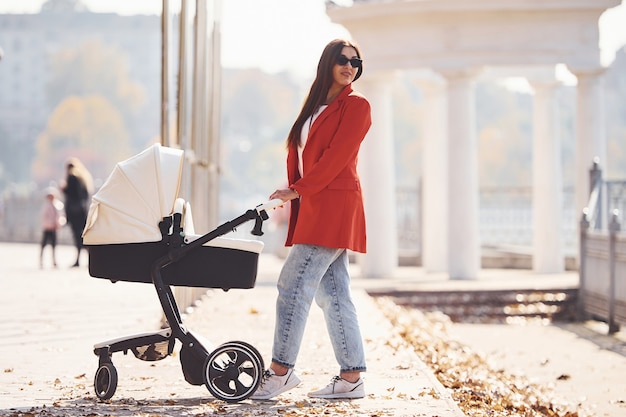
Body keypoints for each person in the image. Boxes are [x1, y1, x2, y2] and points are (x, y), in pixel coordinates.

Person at [251, 38, 372, 401]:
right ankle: (351, 378)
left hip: (333, 207)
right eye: (342, 59)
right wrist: (295, 189)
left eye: (355, 61)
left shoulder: (357, 106)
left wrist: (297, 190)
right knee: (334, 294)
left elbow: (336, 159)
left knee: (292, 285)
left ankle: (280, 371)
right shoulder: (314, 107)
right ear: (327, 63)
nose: (349, 66)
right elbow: (302, 153)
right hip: (315, 206)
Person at [61, 157, 93, 267]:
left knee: (77, 236)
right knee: (83, 235)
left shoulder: (72, 177)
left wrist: (63, 188)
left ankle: (79, 259)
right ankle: (89, 259)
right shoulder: (83, 178)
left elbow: (70, 193)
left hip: (74, 212)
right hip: (82, 211)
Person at [39, 187, 65, 268]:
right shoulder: (46, 206)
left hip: (54, 228)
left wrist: (58, 224)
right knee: (43, 245)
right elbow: (43, 217)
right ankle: (41, 260)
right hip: (47, 228)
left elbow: (61, 217)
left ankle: (54, 260)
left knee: (54, 245)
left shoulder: (58, 205)